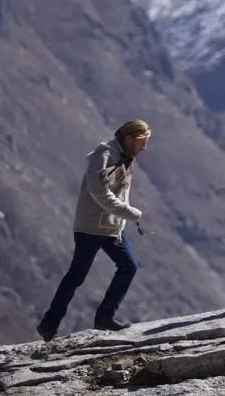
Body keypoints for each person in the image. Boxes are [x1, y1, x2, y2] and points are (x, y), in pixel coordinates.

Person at [36, 119, 150, 341]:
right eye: (141, 142)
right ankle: (49, 324)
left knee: (129, 266)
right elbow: (99, 192)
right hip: (91, 227)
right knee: (77, 275)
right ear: (129, 139)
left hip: (112, 227)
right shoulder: (104, 155)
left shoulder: (126, 157)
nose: (144, 148)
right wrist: (129, 213)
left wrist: (123, 217)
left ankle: (105, 317)